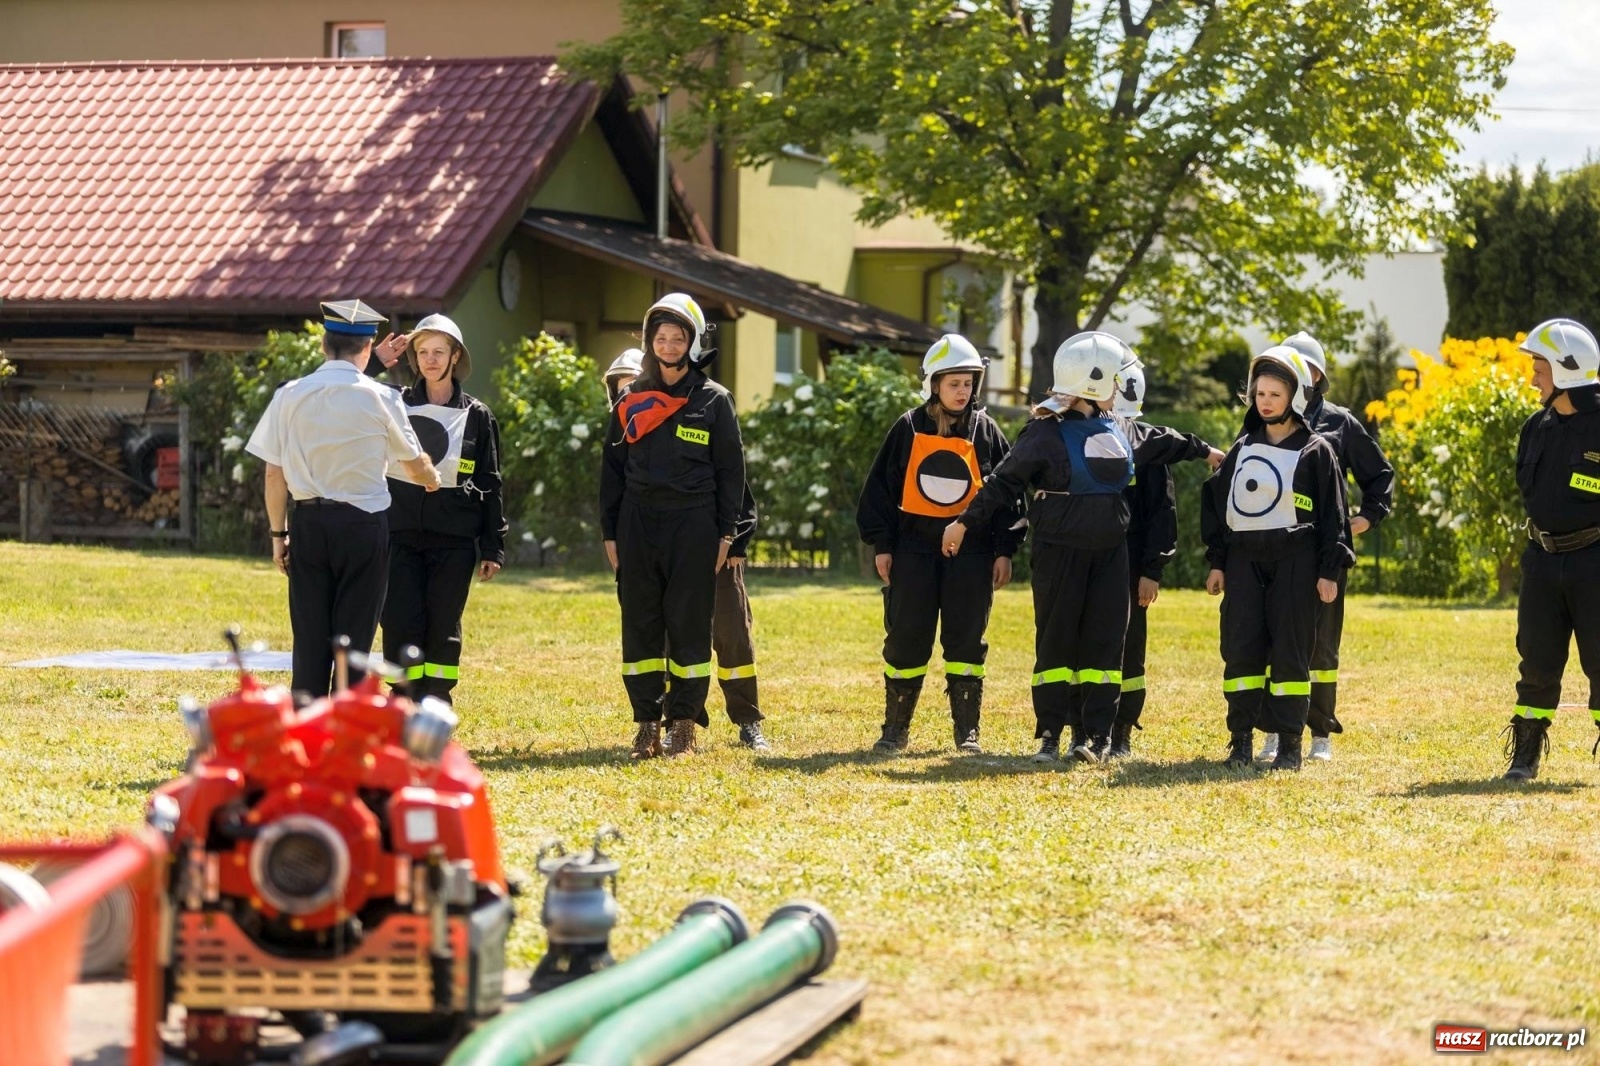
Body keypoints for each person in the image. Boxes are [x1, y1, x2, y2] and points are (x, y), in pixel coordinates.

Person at [943, 332, 1223, 763]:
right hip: (1059, 555)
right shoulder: (1043, 434)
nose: (1119, 391)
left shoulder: (1119, 428)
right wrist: (963, 523)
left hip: (1111, 555)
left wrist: (1208, 453)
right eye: (1114, 382)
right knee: (1056, 643)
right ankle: (1051, 735)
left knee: (1106, 644)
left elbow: (1165, 440)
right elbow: (1002, 482)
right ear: (1094, 383)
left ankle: (1096, 738)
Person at [246, 299, 440, 698]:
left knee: (310, 639)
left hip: (309, 524)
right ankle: (346, 730)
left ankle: (307, 730)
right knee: (354, 641)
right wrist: (432, 477)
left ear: (323, 345)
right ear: (367, 348)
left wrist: (277, 535)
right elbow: (414, 462)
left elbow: (273, 472)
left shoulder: (290, 395)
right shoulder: (382, 398)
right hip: (363, 527)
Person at [857, 334, 1023, 754]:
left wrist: (1005, 549)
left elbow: (1008, 494)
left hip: (974, 555)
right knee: (906, 637)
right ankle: (895, 731)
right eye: (953, 383)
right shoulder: (907, 427)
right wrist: (883, 545)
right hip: (913, 551)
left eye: (968, 383)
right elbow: (880, 490)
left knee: (967, 640)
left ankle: (967, 733)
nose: (961, 391)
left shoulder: (986, 430)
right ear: (934, 384)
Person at [600, 294, 746, 759]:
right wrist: (610, 532)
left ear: (692, 342)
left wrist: (727, 534)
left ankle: (682, 724)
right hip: (637, 523)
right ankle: (646, 723)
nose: (668, 344)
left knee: (688, 624)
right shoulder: (629, 398)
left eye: (677, 337)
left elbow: (732, 474)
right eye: (660, 337)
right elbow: (612, 470)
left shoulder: (714, 401)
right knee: (640, 623)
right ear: (649, 342)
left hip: (695, 525)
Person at [1201, 346, 1352, 772]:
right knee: (1241, 651)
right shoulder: (1243, 447)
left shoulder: (1317, 450)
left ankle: (1289, 745)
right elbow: (1216, 504)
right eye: (1259, 393)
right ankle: (1240, 741)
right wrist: (1218, 562)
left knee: (1290, 652)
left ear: (1296, 398)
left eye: (1274, 394)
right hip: (1245, 564)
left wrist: (1329, 571)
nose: (1265, 401)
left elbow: (1333, 518)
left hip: (1296, 565)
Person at [1250, 331, 1395, 764]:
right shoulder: (1264, 419)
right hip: (1272, 551)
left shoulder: (1340, 422)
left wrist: (1366, 518)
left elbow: (1380, 476)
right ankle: (1276, 730)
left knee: (1321, 646)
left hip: (1324, 552)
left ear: (1315, 376)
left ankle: (1320, 733)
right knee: (1275, 641)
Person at [366, 313, 506, 704]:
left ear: (455, 356)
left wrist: (493, 546)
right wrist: (376, 361)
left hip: (454, 539)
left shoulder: (478, 415)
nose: (430, 359)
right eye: (423, 352)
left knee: (443, 622)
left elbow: (491, 482)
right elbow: (345, 388)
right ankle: (403, 698)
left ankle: (437, 699)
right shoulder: (393, 403)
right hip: (398, 534)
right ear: (414, 358)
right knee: (398, 619)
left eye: (439, 352)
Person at [1504, 318, 1600, 780]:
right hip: (1541, 561)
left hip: (1595, 563)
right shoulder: (1534, 427)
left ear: (1566, 370)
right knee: (1536, 659)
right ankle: (1525, 754)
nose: (1533, 376)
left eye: (1539, 365)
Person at [1108, 359, 1178, 759]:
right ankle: (1084, 728)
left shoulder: (1148, 448)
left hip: (1133, 567)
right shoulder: (1075, 435)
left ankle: (1121, 732)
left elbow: (1161, 513)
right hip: (1089, 561)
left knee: (1130, 648)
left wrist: (1152, 570)